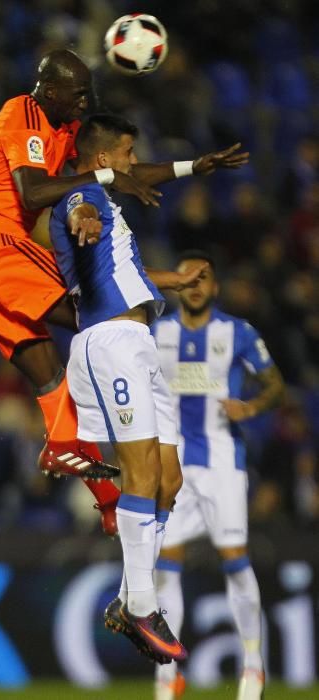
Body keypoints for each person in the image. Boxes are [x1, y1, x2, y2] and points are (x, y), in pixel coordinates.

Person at [0, 48, 249, 535]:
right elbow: (33, 193)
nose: (86, 100)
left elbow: (123, 172)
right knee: (102, 318)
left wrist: (195, 166)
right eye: (78, 92)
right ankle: (131, 414)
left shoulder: (64, 134)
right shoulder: (22, 110)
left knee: (46, 370)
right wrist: (101, 182)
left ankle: (106, 499)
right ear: (50, 89)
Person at [49, 113, 213, 662]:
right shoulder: (82, 199)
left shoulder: (115, 212)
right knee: (141, 469)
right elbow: (79, 210)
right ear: (101, 160)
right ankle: (143, 605)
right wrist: (87, 217)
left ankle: (126, 601)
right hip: (110, 342)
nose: (130, 163)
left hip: (141, 341)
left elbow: (132, 275)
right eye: (124, 153)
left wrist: (177, 279)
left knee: (168, 480)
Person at [151, 250, 285, 700]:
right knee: (165, 566)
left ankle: (253, 665)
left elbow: (275, 384)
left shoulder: (237, 333)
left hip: (223, 461)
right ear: (176, 283)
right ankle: (168, 674)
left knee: (234, 556)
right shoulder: (157, 332)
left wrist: (250, 406)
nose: (194, 282)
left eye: (204, 276)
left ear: (215, 287)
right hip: (174, 463)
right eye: (186, 274)